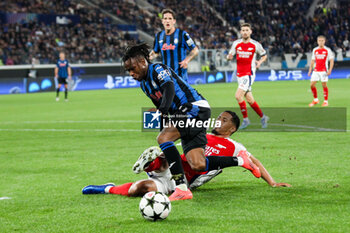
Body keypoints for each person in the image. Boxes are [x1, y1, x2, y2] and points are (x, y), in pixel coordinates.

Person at [123, 44, 249, 201]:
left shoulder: (157, 69)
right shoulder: (144, 85)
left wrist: (164, 135)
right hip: (187, 113)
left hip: (193, 107)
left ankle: (181, 187)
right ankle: (242, 160)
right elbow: (161, 109)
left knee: (164, 139)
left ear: (142, 62)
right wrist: (163, 136)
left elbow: (169, 87)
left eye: (133, 68)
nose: (131, 73)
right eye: (128, 71)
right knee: (198, 163)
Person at [82, 111, 290, 197]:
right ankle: (151, 163)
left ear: (233, 128)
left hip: (186, 182)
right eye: (218, 117)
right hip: (175, 169)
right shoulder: (201, 133)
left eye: (224, 120)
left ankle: (111, 187)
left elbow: (254, 162)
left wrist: (271, 182)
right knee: (164, 157)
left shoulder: (234, 146)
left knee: (140, 189)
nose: (219, 120)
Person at [227, 23, 269, 129]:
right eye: (243, 30)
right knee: (250, 100)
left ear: (251, 31)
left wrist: (259, 62)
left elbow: (264, 55)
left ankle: (246, 120)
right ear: (240, 32)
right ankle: (263, 117)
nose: (245, 32)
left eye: (247, 30)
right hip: (239, 75)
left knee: (238, 96)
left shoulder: (255, 44)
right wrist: (228, 57)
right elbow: (229, 56)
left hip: (248, 74)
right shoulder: (236, 44)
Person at [149, 9, 199, 83]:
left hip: (181, 78)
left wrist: (187, 60)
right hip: (166, 78)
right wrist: (148, 57)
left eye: (170, 18)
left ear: (174, 21)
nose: (167, 21)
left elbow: (195, 50)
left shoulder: (182, 34)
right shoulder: (159, 36)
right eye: (165, 19)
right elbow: (155, 52)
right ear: (162, 21)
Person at [308, 35, 334, 107]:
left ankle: (326, 101)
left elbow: (331, 61)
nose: (321, 42)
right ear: (317, 41)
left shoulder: (328, 50)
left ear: (324, 41)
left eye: (322, 41)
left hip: (324, 71)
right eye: (319, 41)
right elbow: (312, 61)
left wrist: (330, 70)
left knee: (324, 85)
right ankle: (316, 100)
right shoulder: (315, 50)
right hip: (316, 70)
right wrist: (310, 70)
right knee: (312, 85)